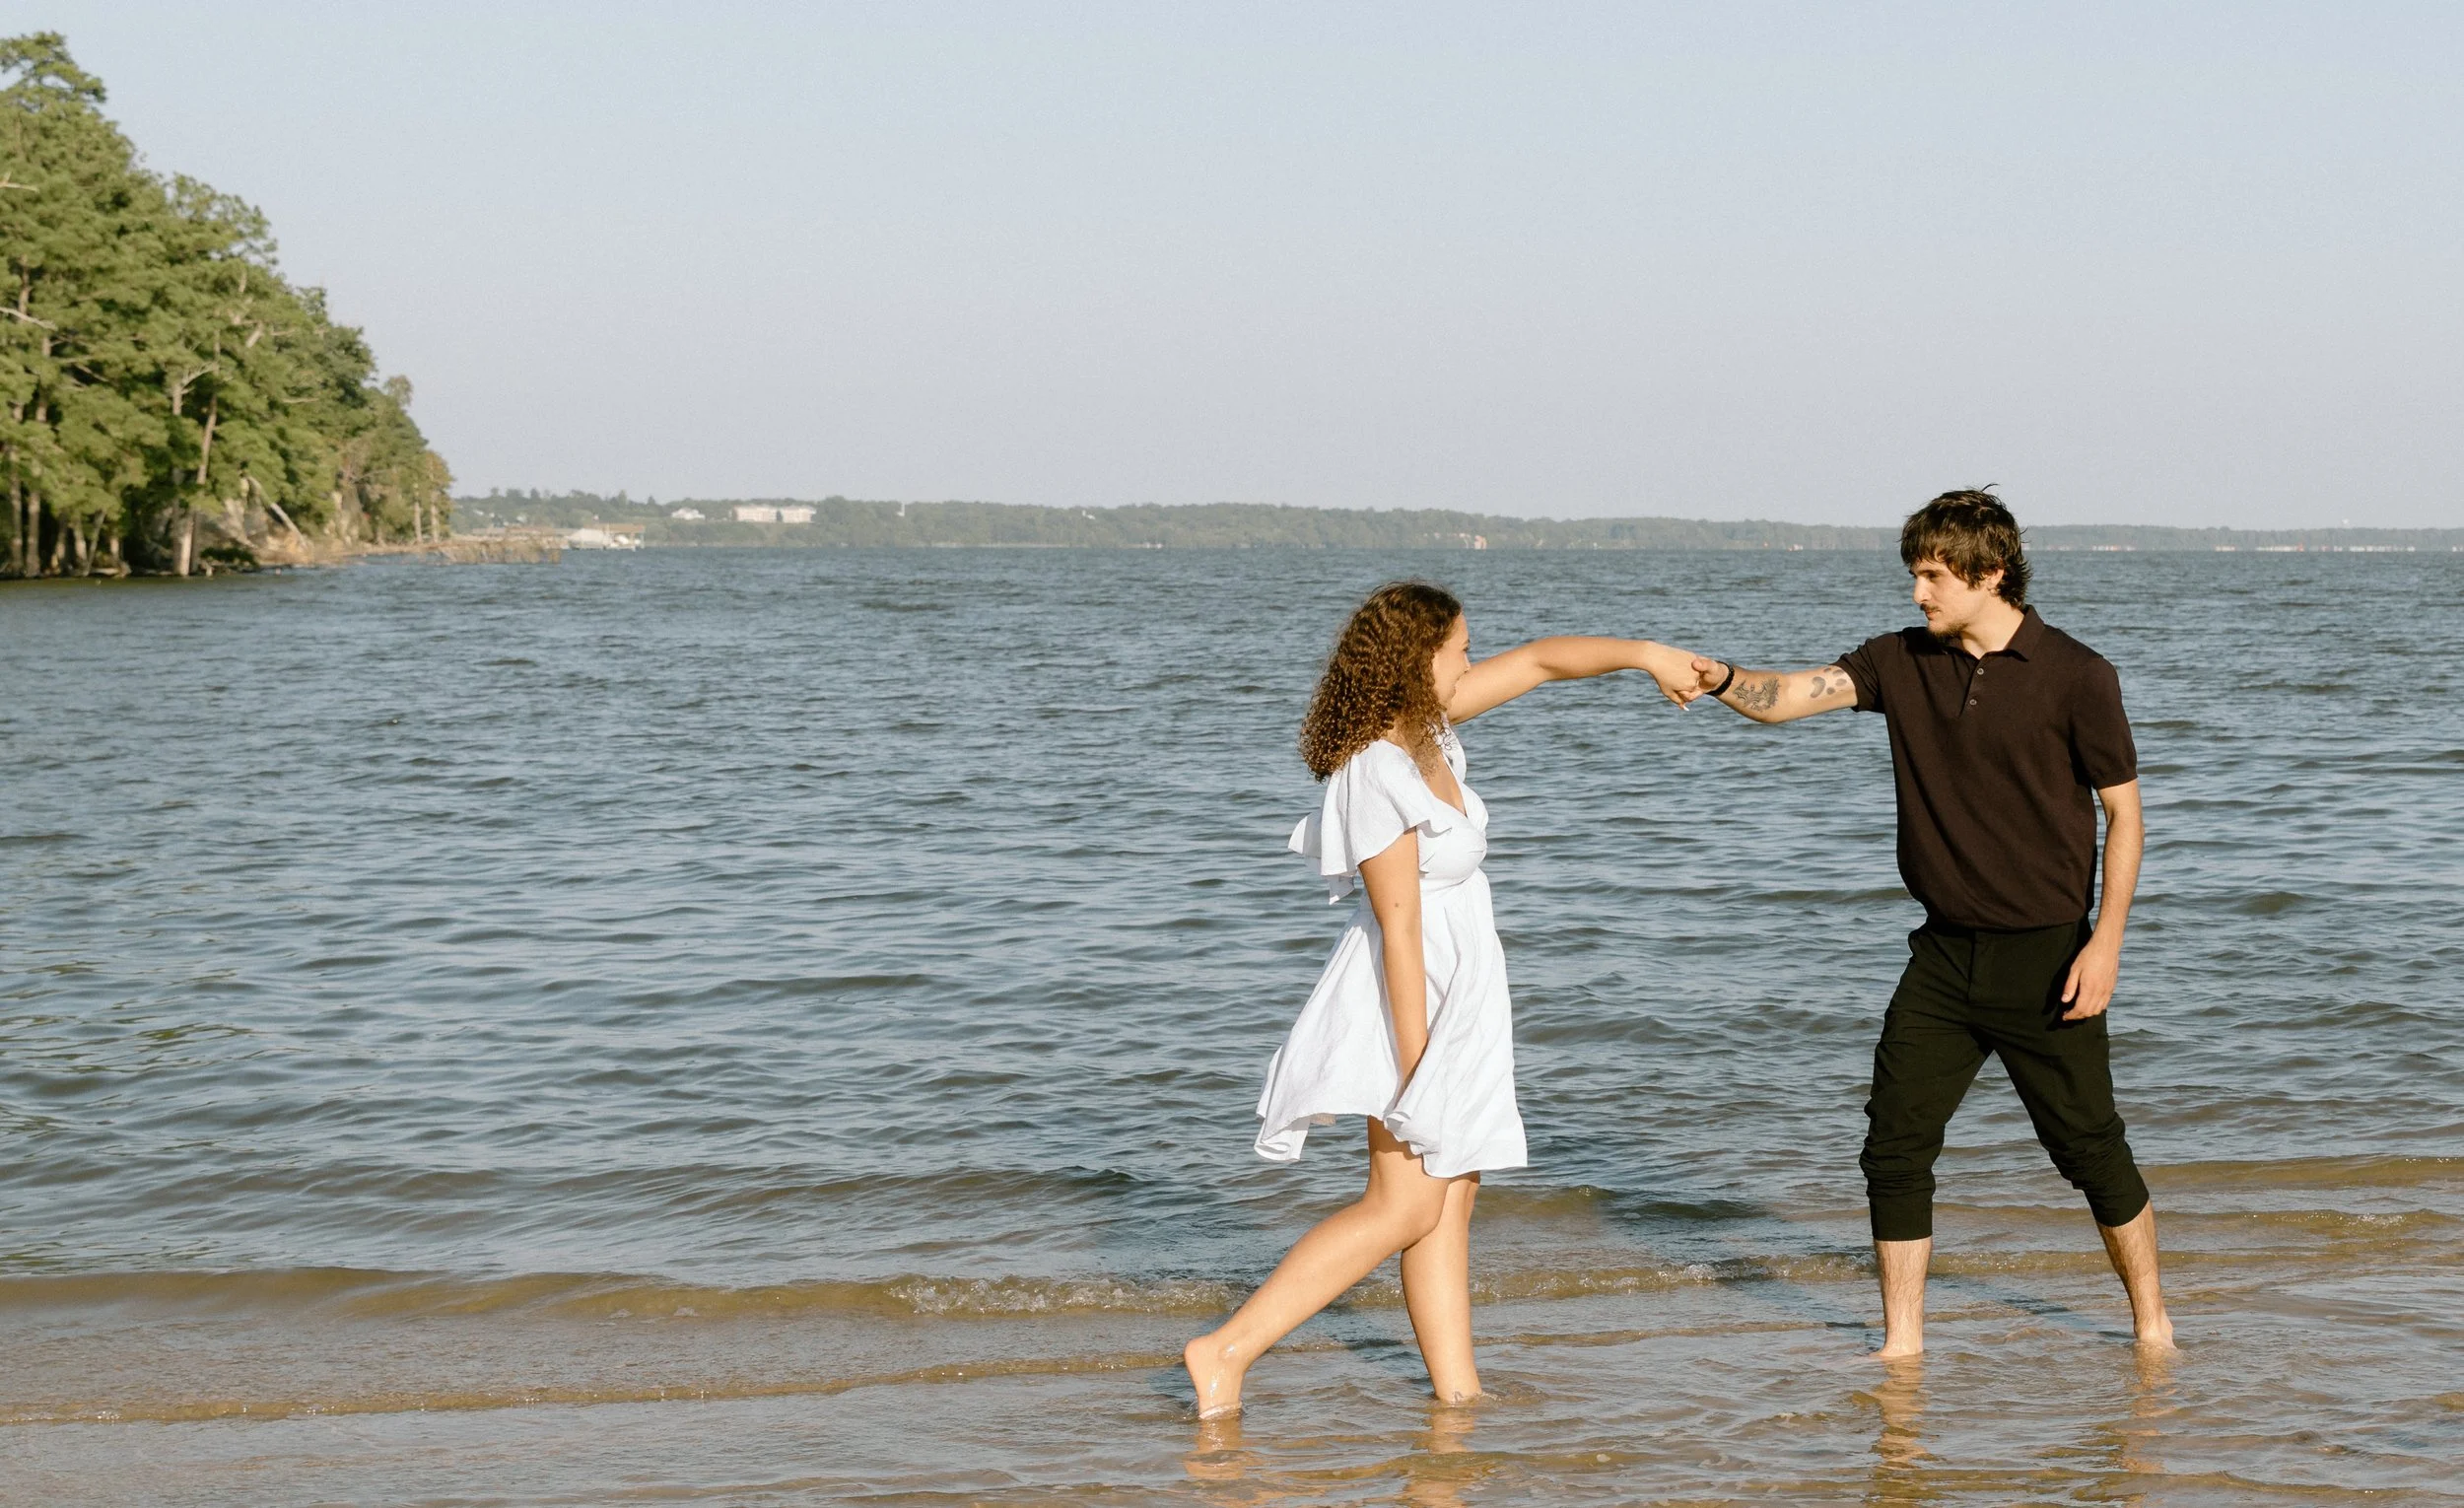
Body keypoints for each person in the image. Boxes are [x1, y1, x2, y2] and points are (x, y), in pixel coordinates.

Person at [1673, 490, 2174, 1357]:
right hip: (1941, 957)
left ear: (1990, 573)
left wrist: (2106, 943)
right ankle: (1901, 1343)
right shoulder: (1899, 662)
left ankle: (2152, 1325)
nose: (1919, 593)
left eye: (1934, 576)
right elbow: (1789, 697)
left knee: (2089, 1150)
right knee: (1893, 1147)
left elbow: (2125, 817)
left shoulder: (2078, 675)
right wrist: (1720, 678)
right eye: (1914, 574)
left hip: (2047, 957)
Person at [1183, 581, 1700, 1417]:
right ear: (1418, 656)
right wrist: (1421, 1063)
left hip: (1461, 985)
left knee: (1453, 1194)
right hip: (1408, 997)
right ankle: (1225, 1350)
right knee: (1405, 1202)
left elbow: (1538, 663)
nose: (1471, 656)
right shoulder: (1376, 770)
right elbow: (1398, 930)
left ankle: (1458, 1394)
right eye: (1460, 644)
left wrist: (1645, 657)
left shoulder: (1433, 728)